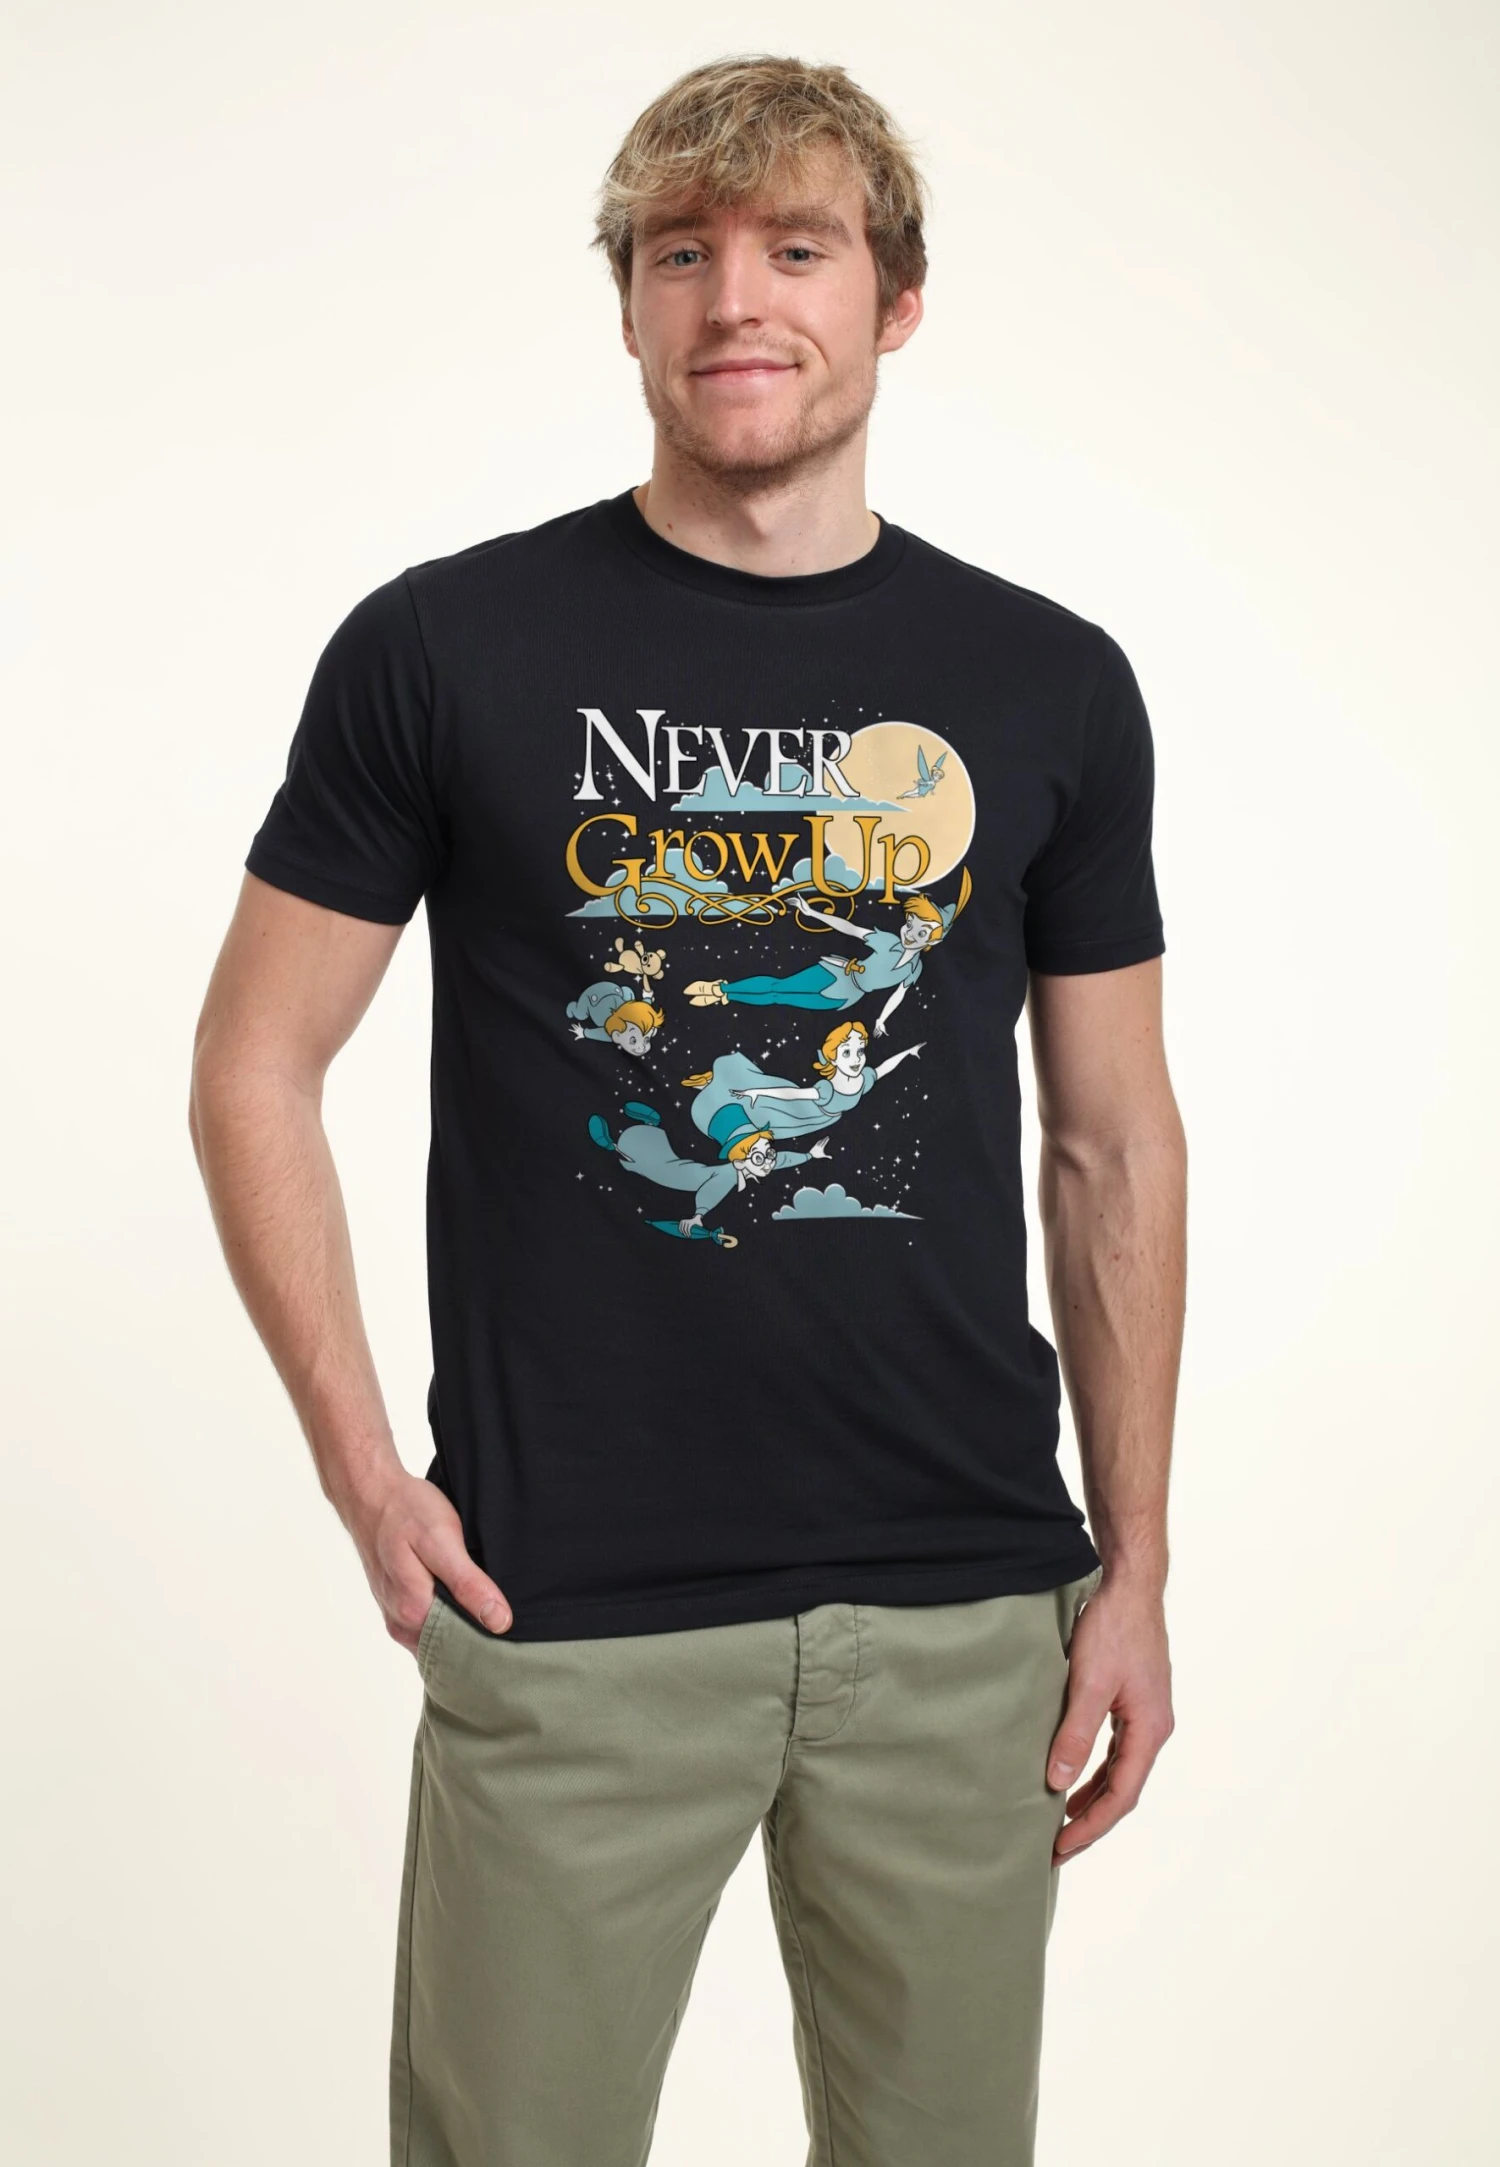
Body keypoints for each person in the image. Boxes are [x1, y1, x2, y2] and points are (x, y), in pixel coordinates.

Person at [189, 51, 1186, 2167]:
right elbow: (254, 1063)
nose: (737, 299)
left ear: (895, 301)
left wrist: (1141, 1564)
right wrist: (368, 1479)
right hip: (567, 1613)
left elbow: (1113, 1143)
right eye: (681, 254)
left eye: (796, 250)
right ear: (630, 305)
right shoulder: (444, 649)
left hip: (962, 1612)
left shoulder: (1052, 683)